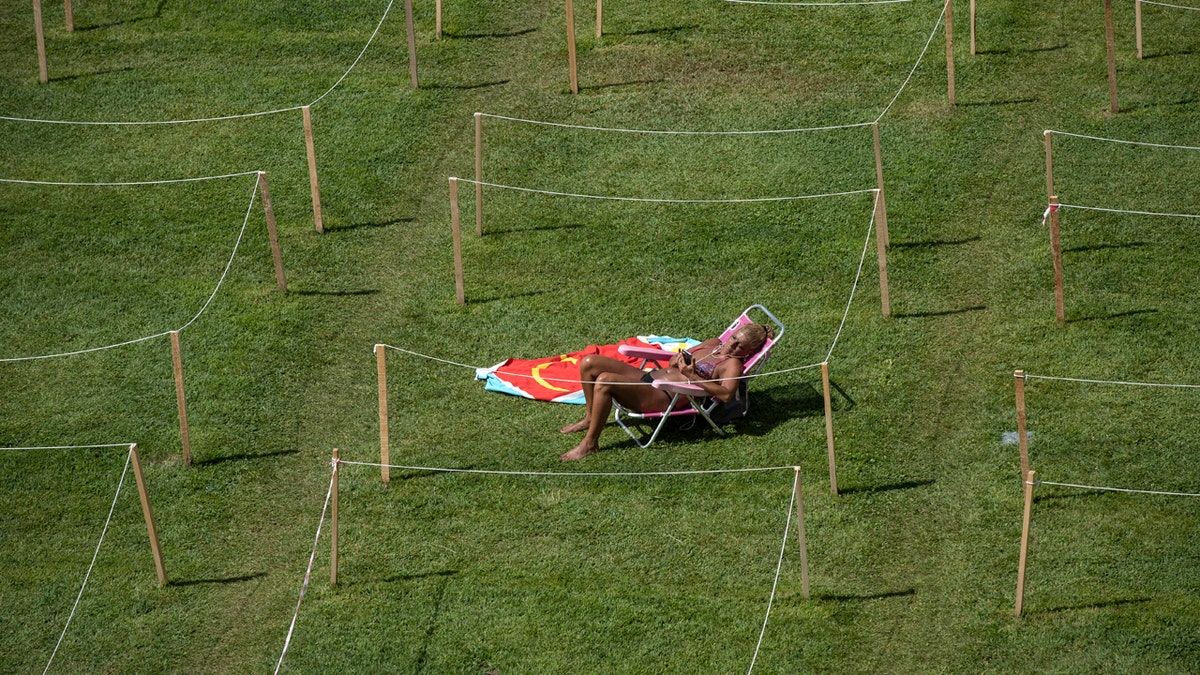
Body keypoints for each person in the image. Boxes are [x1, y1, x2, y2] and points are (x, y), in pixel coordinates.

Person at [559, 322, 772, 460]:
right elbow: (671, 361)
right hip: (651, 377)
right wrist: (679, 359)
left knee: (605, 381)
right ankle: (589, 417)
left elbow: (725, 394)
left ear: (749, 352)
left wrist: (692, 376)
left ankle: (590, 443)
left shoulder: (732, 365)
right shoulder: (714, 343)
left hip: (663, 394)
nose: (732, 346)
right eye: (734, 339)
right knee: (589, 362)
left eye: (740, 348)